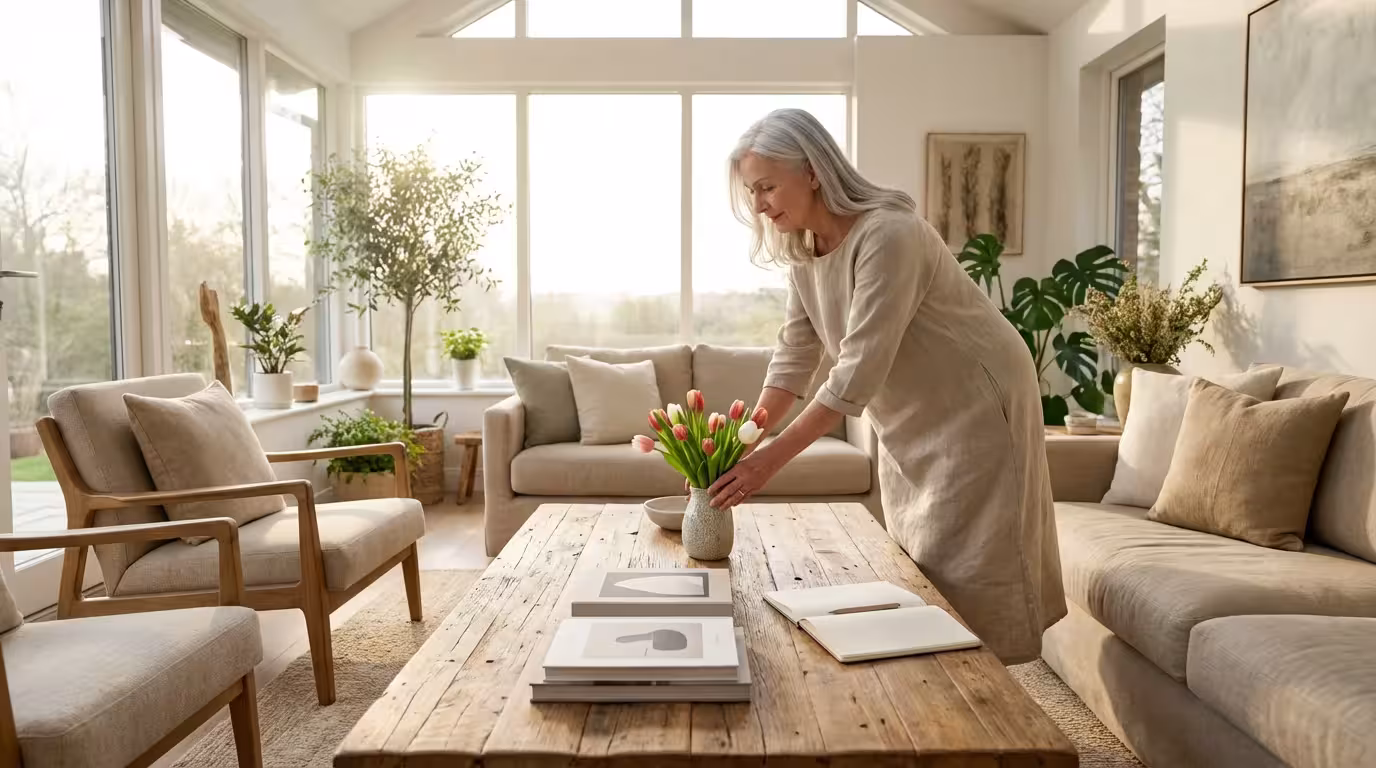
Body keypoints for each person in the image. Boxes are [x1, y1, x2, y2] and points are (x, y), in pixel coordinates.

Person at [707, 108, 1065, 664]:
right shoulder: (803, 251)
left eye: (767, 186)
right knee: (924, 557)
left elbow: (856, 370)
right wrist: (741, 443)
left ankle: (988, 691)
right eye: (752, 191)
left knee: (974, 561)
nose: (759, 205)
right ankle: (946, 674)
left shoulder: (889, 233)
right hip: (910, 409)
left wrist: (767, 464)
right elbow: (795, 355)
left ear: (813, 171)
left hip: (975, 399)